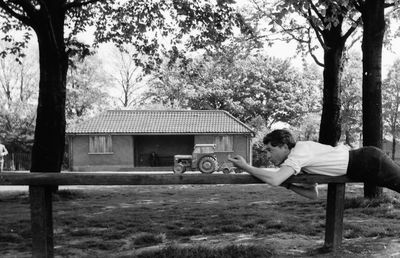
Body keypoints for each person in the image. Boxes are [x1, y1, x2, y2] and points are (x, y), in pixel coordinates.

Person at [229, 129, 400, 200]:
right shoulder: (299, 161)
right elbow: (313, 194)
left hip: (369, 161)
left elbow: (274, 179)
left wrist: (246, 167)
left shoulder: (300, 151)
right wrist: (288, 185)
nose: (267, 155)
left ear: (283, 146)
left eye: (269, 150)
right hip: (363, 167)